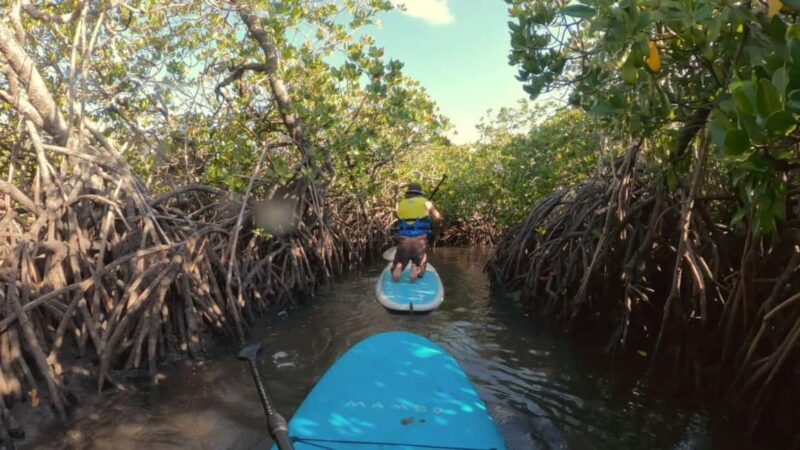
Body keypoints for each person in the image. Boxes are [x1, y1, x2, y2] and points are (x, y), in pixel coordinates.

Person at [392, 182, 442, 282]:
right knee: (420, 263)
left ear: (408, 193)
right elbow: (438, 218)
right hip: (420, 240)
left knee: (399, 263)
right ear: (419, 193)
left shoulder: (401, 204)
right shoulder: (426, 203)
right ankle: (416, 267)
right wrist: (430, 209)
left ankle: (398, 266)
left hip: (404, 239)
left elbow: (402, 218)